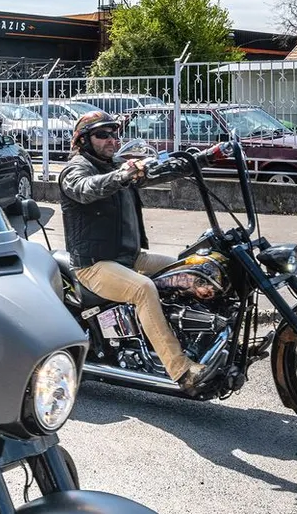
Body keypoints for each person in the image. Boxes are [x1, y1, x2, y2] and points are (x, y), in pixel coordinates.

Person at [58, 111, 220, 392]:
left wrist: (205, 157)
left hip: (131, 257)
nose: (112, 140)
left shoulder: (118, 165)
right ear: (84, 140)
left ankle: (204, 341)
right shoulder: (76, 169)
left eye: (114, 134)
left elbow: (161, 171)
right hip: (94, 265)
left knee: (194, 270)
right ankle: (182, 371)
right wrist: (121, 175)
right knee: (143, 289)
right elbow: (86, 189)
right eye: (102, 135)